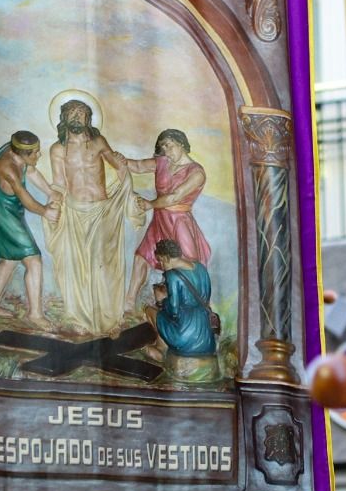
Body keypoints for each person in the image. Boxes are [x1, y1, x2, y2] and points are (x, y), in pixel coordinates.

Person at [45, 99, 147, 335]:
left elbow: (119, 166)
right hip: (75, 211)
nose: (77, 117)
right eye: (72, 112)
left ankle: (110, 320)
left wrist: (127, 190)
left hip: (102, 211)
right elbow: (59, 183)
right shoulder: (58, 149)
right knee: (78, 268)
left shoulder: (98, 142)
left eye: (82, 113)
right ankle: (80, 320)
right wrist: (54, 205)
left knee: (104, 267)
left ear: (89, 119)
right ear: (64, 118)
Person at [123, 129, 213, 308]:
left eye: (169, 145)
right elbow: (139, 166)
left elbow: (174, 197)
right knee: (142, 256)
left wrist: (150, 204)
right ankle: (129, 302)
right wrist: (114, 158)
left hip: (179, 222)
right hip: (160, 219)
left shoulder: (196, 172)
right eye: (163, 146)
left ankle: (196, 306)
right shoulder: (162, 162)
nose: (166, 150)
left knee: (187, 261)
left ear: (181, 143)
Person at [0, 130, 60, 325]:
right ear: (21, 153)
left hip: (10, 211)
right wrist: (45, 211)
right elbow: (23, 196)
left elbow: (32, 171)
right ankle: (35, 313)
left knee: (9, 260)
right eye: (35, 152)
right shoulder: (8, 167)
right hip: (6, 215)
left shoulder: (16, 153)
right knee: (33, 260)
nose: (39, 155)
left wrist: (50, 191)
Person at [150, 239, 218, 363]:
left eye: (160, 260)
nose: (161, 264)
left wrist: (162, 301)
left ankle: (160, 349)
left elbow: (174, 311)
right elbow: (206, 296)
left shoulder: (172, 276)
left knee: (153, 312)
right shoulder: (200, 267)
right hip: (206, 337)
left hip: (185, 337)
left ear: (166, 257)